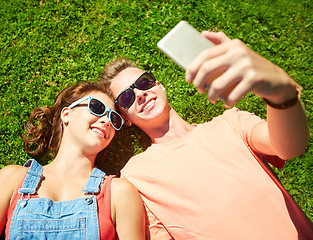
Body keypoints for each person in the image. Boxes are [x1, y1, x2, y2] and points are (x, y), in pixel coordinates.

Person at [99, 31, 313, 239]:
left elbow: (291, 147)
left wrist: (279, 91)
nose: (140, 94)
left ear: (159, 86)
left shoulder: (232, 123)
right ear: (125, 119)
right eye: (126, 97)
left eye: (144, 82)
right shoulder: (135, 175)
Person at [0, 82, 145, 240]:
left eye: (114, 119)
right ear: (67, 114)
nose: (106, 120)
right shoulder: (12, 179)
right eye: (96, 108)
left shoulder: (119, 193)